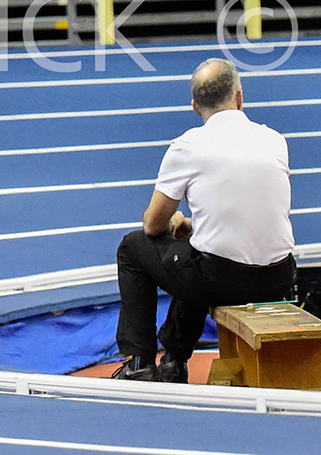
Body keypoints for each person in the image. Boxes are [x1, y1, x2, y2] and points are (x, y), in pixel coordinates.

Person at [111, 59, 297, 382]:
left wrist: (176, 223)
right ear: (240, 97)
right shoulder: (275, 140)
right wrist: (194, 230)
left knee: (133, 249)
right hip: (280, 277)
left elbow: (152, 225)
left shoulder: (188, 146)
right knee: (194, 250)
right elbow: (247, 214)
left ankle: (140, 361)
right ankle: (172, 359)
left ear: (195, 106)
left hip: (221, 279)